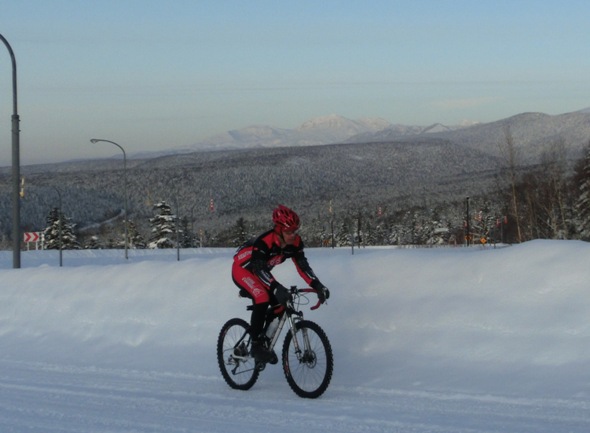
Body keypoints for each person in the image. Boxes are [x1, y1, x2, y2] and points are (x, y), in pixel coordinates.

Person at [232, 204, 330, 364]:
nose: (293, 235)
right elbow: (258, 269)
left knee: (281, 302)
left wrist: (318, 285)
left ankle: (263, 336)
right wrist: (276, 287)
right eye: (289, 231)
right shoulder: (264, 243)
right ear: (278, 230)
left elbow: (303, 266)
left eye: (295, 230)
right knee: (262, 296)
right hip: (243, 270)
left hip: (261, 272)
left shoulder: (295, 243)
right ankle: (256, 345)